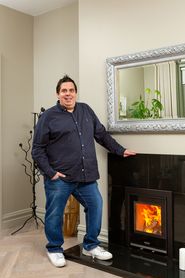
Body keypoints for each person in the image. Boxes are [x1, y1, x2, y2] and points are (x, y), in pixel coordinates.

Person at [32, 75, 136, 267]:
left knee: (96, 204)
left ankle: (90, 245)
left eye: (71, 90)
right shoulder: (48, 117)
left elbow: (101, 134)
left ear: (76, 92)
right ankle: (54, 248)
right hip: (60, 177)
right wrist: (50, 172)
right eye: (64, 91)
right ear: (58, 94)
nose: (68, 94)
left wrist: (120, 150)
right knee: (55, 213)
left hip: (85, 175)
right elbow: (37, 149)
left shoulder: (86, 110)